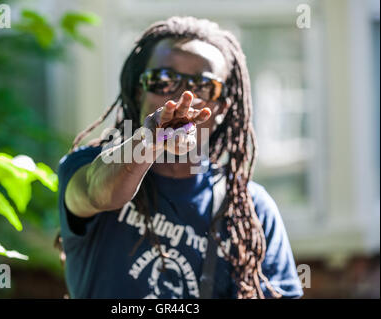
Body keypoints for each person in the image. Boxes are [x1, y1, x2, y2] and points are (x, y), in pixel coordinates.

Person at [57, 16, 303, 299]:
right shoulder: (86, 167)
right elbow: (100, 193)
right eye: (163, 80)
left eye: (203, 85)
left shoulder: (250, 208)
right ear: (140, 92)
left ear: (222, 106)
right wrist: (149, 139)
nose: (180, 96)